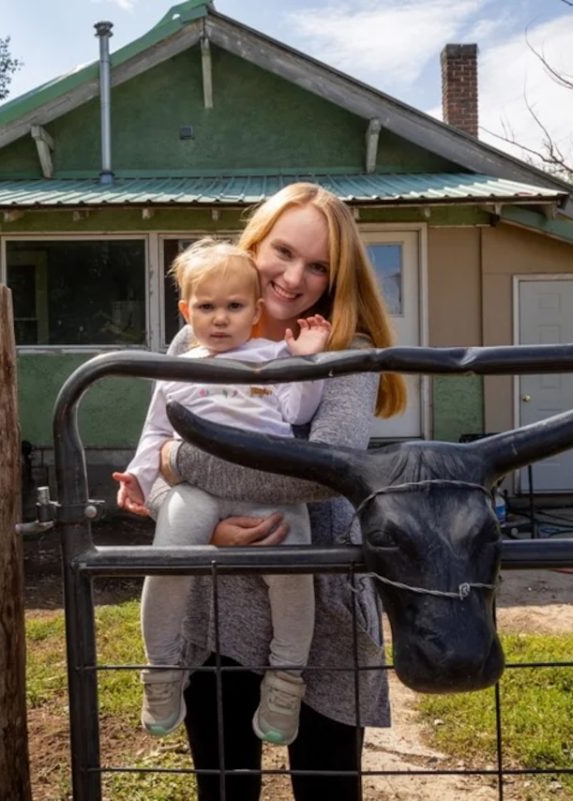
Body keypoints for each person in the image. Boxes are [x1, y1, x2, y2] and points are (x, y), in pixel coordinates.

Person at [139, 183, 407, 801]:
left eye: (318, 266)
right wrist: (195, 520)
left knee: (326, 785)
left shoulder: (346, 351)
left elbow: (320, 472)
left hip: (319, 592)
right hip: (215, 594)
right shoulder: (196, 341)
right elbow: (150, 455)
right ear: (253, 244)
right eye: (283, 252)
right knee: (226, 785)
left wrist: (183, 459)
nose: (294, 277)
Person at [113, 239, 333, 745]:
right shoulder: (178, 367)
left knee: (295, 572)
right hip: (198, 490)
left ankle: (286, 679)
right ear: (186, 311)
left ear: (256, 312)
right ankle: (163, 669)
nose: (220, 319)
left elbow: (298, 412)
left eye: (234, 307)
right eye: (207, 307)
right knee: (174, 549)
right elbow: (155, 433)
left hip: (271, 490)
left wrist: (304, 361)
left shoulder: (271, 357)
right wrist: (138, 476)